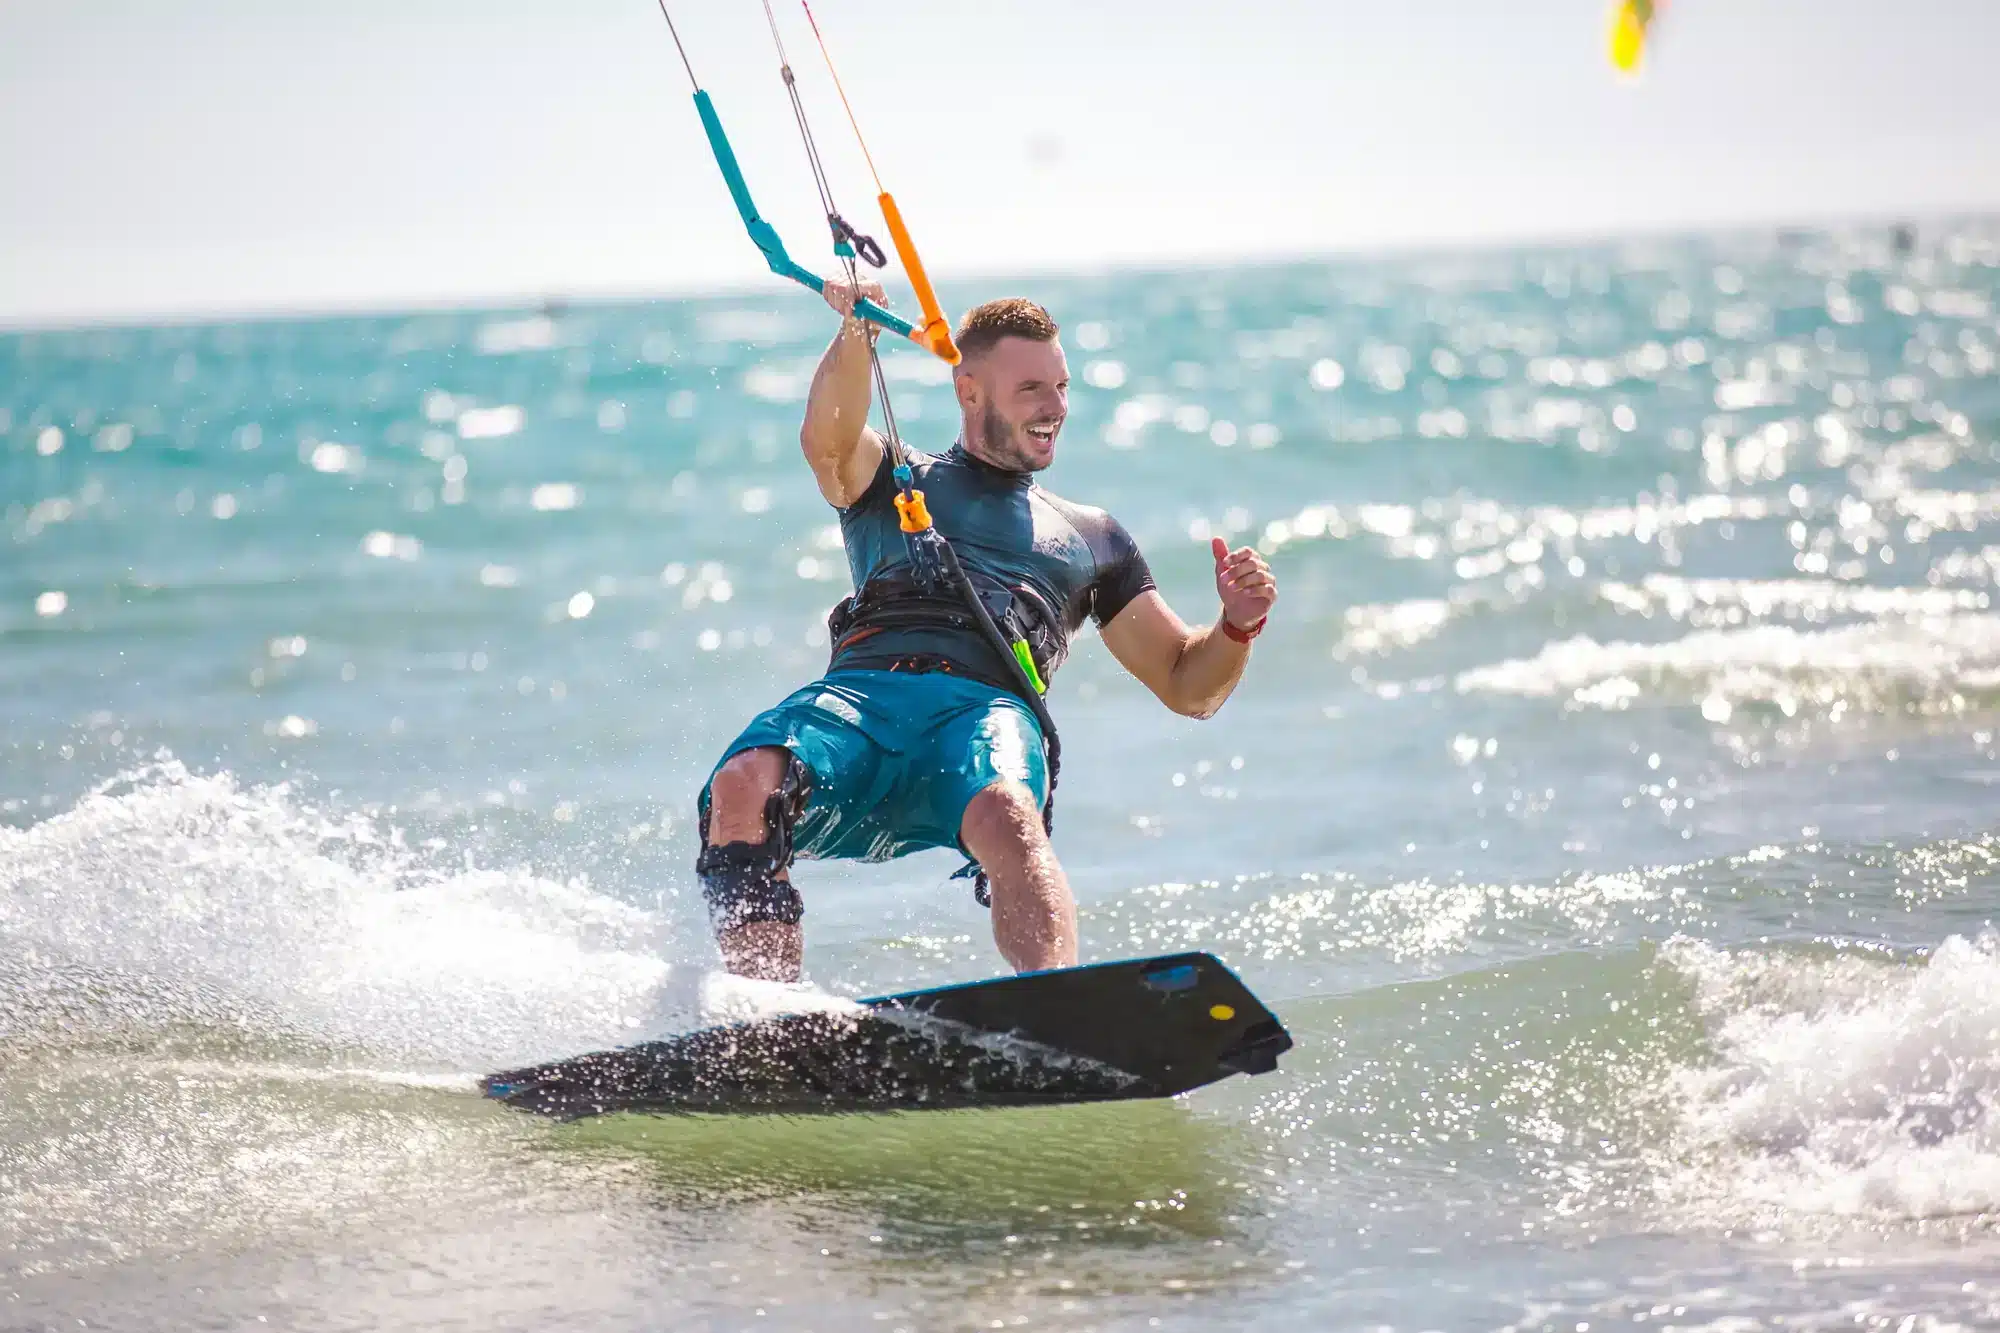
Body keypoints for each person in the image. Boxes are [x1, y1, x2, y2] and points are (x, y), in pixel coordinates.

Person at [695, 280, 1277, 982]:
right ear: (969, 391)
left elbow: (1188, 682)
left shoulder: (1093, 538)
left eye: (1061, 386)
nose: (1056, 407)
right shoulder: (894, 477)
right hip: (860, 703)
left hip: (982, 716)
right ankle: (763, 1019)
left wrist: (1238, 625)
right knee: (742, 782)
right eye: (1033, 387)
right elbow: (827, 442)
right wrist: (857, 332)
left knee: (1007, 810)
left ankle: (1050, 1003)